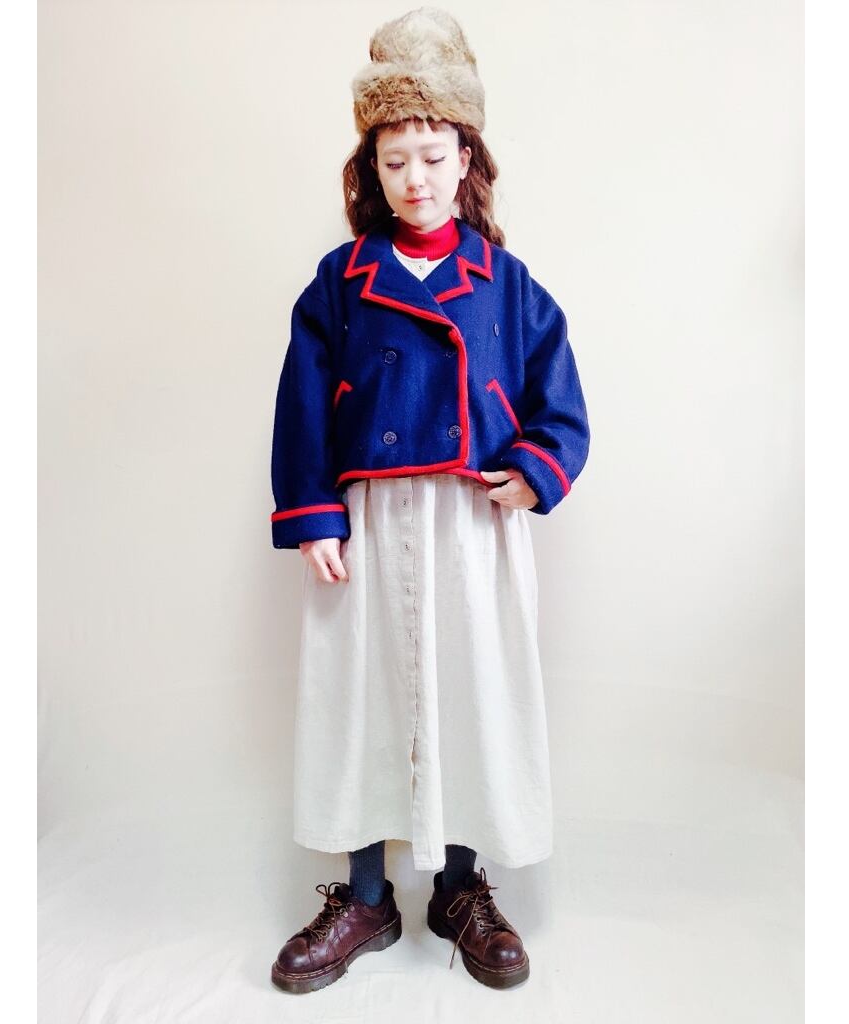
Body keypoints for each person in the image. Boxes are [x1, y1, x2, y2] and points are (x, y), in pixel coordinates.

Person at [268, 6, 590, 994]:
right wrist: (313, 514)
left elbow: (558, 397)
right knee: (359, 696)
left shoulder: (508, 284)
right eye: (395, 159)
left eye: (434, 156)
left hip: (471, 522)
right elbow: (302, 404)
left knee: (470, 691)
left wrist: (534, 467)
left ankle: (458, 887)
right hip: (366, 522)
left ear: (466, 160)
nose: (416, 178)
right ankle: (365, 895)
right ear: (372, 168)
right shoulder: (341, 281)